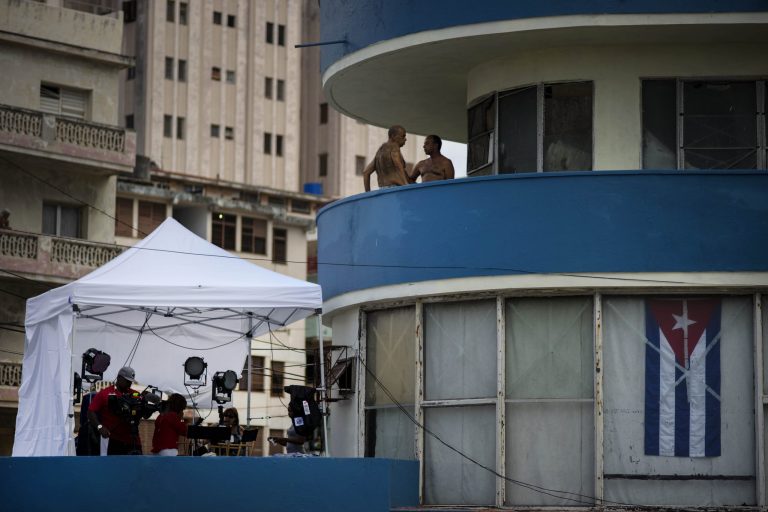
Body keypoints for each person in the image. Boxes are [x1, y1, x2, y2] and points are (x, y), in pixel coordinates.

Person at [87, 366, 141, 455]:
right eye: (127, 381)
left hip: (133, 440)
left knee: (136, 468)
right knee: (113, 467)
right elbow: (90, 412)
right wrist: (100, 427)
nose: (129, 384)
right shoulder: (104, 393)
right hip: (113, 439)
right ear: (119, 377)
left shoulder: (135, 394)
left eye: (130, 382)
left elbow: (141, 410)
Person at [363, 125, 409, 191]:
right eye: (403, 136)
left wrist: (367, 194)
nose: (405, 139)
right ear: (393, 136)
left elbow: (366, 172)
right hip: (396, 190)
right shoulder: (394, 146)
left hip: (382, 190)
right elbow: (397, 164)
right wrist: (406, 184)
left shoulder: (380, 152)